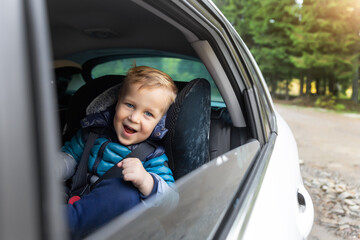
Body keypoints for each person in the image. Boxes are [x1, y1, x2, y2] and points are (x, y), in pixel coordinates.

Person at [57, 66, 178, 239]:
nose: (134, 118)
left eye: (148, 114)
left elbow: (172, 201)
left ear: (160, 121)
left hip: (113, 223)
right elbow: (68, 156)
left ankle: (59, 224)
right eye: (129, 105)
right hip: (76, 200)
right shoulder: (91, 134)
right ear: (118, 101)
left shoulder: (153, 156)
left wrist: (146, 181)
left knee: (125, 193)